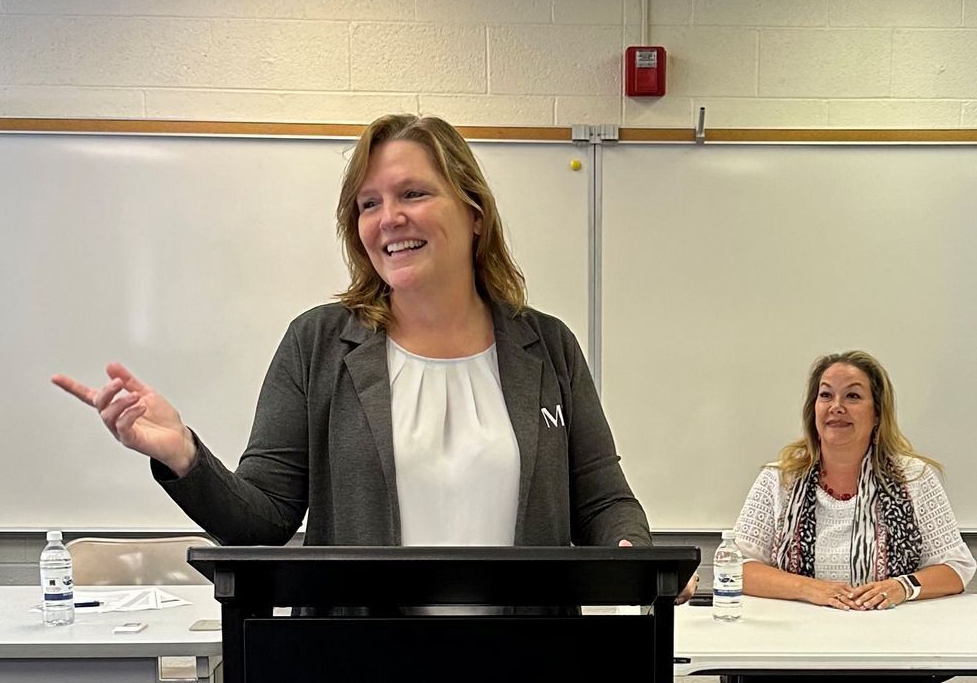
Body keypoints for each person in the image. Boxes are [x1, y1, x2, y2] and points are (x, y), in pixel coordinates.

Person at [53, 113, 664, 557]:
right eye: (368, 204)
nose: (388, 218)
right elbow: (262, 520)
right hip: (359, 673)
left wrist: (633, 548)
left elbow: (603, 499)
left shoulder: (546, 346)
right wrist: (184, 454)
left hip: (524, 671)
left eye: (413, 194)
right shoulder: (318, 344)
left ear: (474, 214)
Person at [725, 350, 976, 683]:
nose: (836, 406)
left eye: (852, 394)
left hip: (888, 660)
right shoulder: (780, 480)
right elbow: (736, 564)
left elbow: (957, 566)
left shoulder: (913, 480)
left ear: (877, 411)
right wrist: (812, 590)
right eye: (825, 394)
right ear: (812, 408)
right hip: (794, 656)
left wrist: (903, 585)